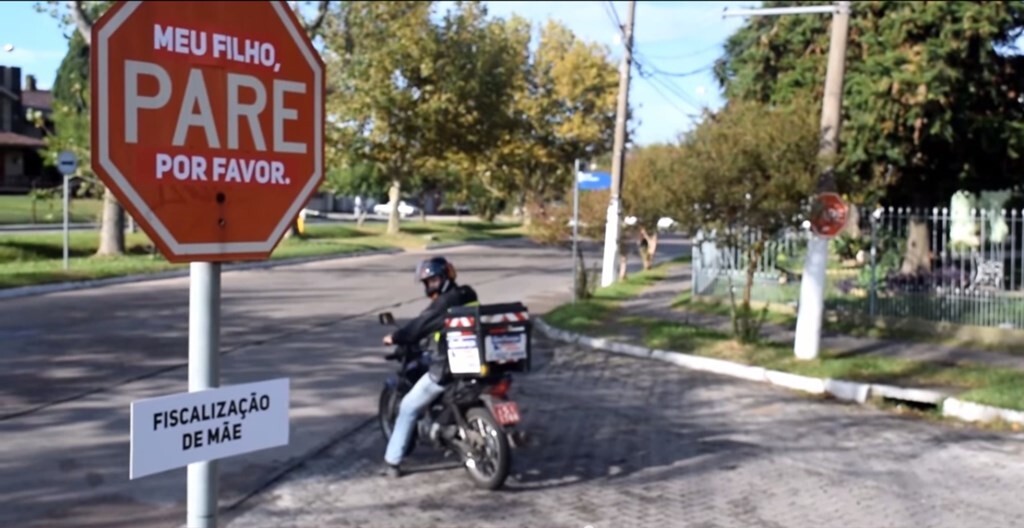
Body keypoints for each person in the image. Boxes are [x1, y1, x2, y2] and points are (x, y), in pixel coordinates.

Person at [382, 256, 479, 478]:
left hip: (448, 366)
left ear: (447, 276)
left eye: (434, 280)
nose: (431, 285)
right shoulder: (468, 294)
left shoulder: (443, 303)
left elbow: (419, 326)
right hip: (475, 359)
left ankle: (392, 461)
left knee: (407, 407)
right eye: (428, 282)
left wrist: (396, 337)